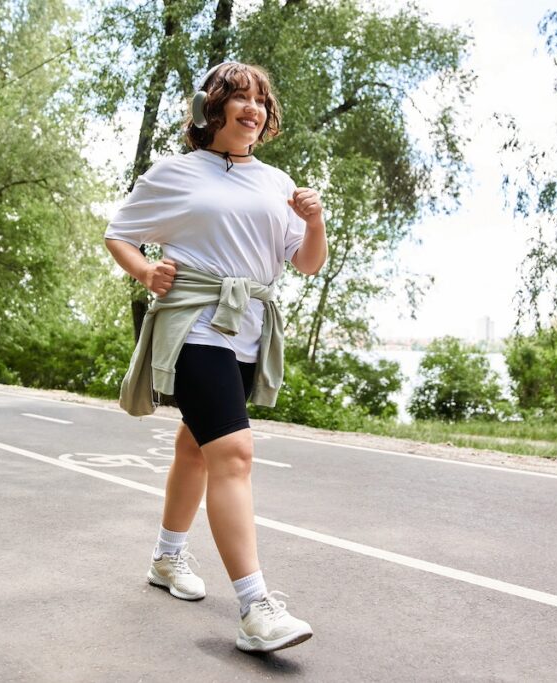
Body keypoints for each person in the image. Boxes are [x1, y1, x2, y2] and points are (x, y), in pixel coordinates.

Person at [103, 61, 327, 653]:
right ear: (212, 108)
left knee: (195, 448)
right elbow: (119, 232)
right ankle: (256, 608)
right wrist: (146, 269)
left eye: (260, 99)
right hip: (195, 322)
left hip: (249, 328)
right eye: (239, 98)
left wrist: (314, 221)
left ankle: (166, 558)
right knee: (232, 451)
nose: (252, 108)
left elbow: (305, 264)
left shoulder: (278, 183)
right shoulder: (178, 173)